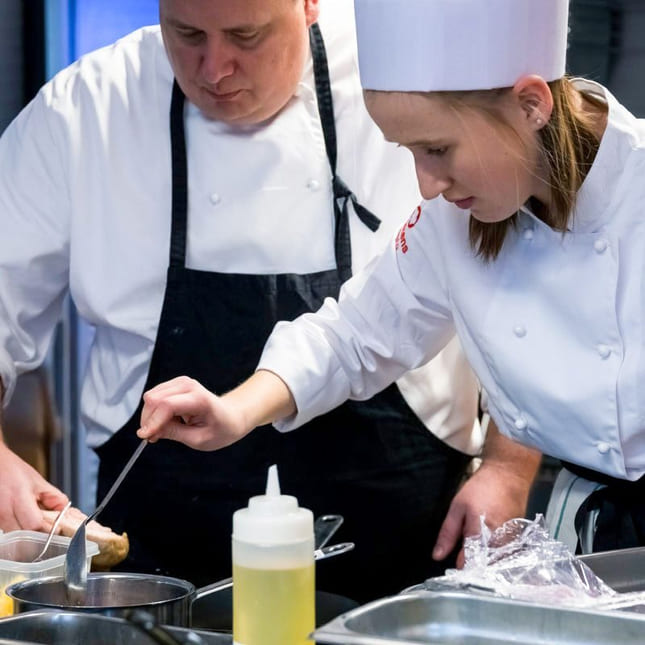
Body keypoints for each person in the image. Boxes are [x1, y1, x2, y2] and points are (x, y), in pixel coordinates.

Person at [0, 0, 539, 603]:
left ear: (311, 5)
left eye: (245, 35)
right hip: (156, 569)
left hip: (402, 547)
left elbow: (524, 270)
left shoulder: (407, 80)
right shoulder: (86, 109)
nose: (214, 68)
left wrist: (509, 466)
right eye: (187, 35)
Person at [138, 0, 645, 560]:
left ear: (531, 104)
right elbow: (353, 333)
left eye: (437, 149)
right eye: (410, 152)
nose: (427, 186)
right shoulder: (457, 221)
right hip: (601, 553)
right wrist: (235, 411)